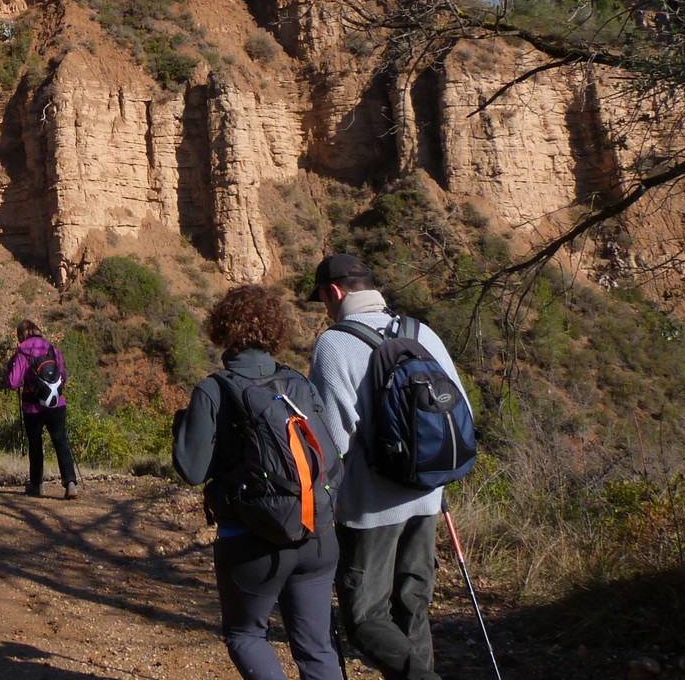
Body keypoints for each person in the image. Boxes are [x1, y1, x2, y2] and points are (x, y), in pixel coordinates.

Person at [307, 253, 468, 680]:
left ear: (334, 292)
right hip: (428, 495)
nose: (324, 308)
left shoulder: (334, 343)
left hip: (370, 509)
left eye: (322, 299)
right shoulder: (421, 332)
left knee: (365, 618)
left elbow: (334, 439)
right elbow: (462, 411)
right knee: (412, 607)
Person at [173, 284, 343, 680]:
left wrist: (182, 427)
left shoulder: (214, 389)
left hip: (251, 540)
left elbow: (192, 470)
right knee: (316, 648)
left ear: (222, 329)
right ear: (275, 331)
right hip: (317, 535)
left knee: (246, 635)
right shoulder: (298, 382)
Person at [6, 319, 78, 499]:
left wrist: (12, 363)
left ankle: (36, 485)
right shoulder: (52, 349)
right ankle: (70, 483)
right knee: (61, 441)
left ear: (21, 335)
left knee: (35, 444)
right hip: (57, 403)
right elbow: (63, 376)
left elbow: (13, 383)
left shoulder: (23, 353)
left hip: (32, 407)